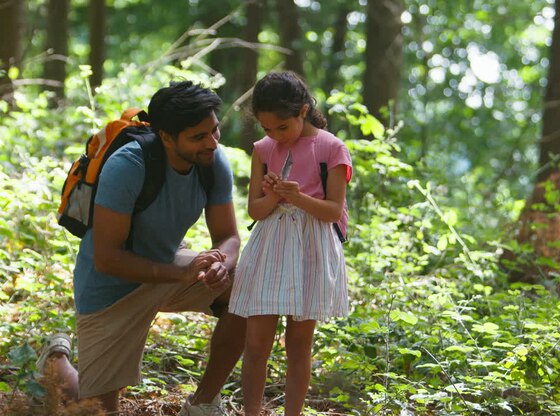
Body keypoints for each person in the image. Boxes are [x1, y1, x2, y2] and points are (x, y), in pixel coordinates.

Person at [37, 80, 244, 415]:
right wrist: (181, 272)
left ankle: (202, 404)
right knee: (98, 410)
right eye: (198, 137)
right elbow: (107, 259)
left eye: (215, 131)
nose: (211, 142)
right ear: (166, 137)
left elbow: (228, 235)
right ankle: (56, 361)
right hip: (112, 287)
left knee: (249, 285)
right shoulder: (129, 166)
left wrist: (223, 261)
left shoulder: (211, 160)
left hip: (169, 269)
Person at [229, 71, 352, 416]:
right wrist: (272, 195)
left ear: (302, 111)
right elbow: (255, 209)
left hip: (311, 245)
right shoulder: (263, 150)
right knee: (255, 343)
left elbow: (331, 212)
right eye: (267, 129)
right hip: (270, 244)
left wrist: (297, 198)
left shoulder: (331, 148)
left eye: (282, 128)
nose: (274, 136)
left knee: (299, 346)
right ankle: (251, 411)